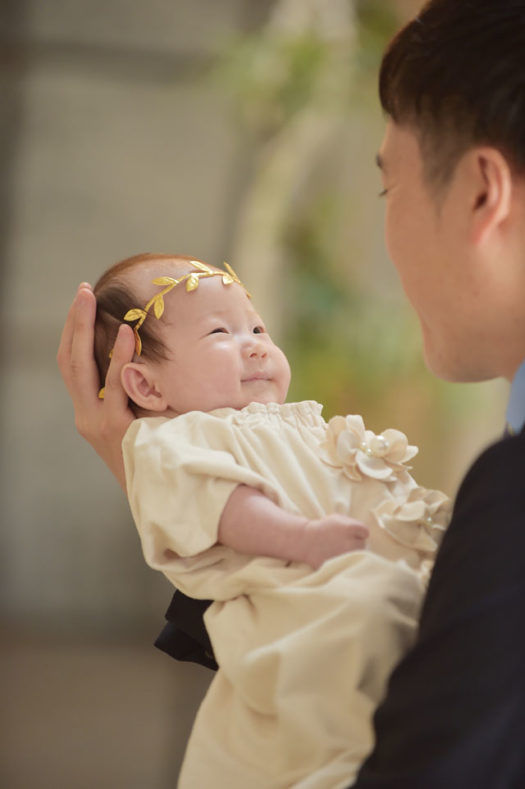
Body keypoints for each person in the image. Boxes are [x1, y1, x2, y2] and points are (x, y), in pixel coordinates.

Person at [56, 0, 525, 785]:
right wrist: (189, 499)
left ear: (481, 194)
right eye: (219, 335)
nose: (254, 348)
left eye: (387, 187)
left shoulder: (510, 501)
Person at [87, 251, 448, 788]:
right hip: (300, 600)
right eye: (219, 333)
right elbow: (222, 503)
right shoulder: (172, 441)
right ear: (147, 387)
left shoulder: (291, 421)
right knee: (368, 612)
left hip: (353, 574)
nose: (255, 343)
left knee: (393, 605)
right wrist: (300, 538)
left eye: (256, 326)